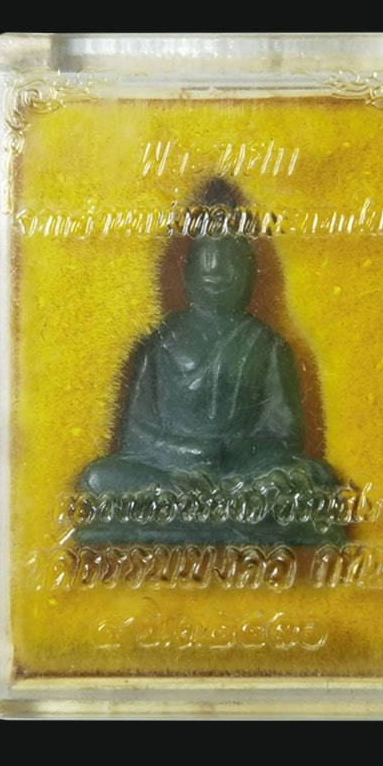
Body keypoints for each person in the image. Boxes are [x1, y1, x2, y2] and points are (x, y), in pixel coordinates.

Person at [77, 179, 343, 545]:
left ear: (249, 271)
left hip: (243, 474)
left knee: (316, 479)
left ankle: (200, 513)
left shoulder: (267, 345)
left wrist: (232, 454)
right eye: (205, 263)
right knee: (98, 479)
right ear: (186, 272)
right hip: (173, 475)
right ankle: (230, 515)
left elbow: (285, 436)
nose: (216, 273)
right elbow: (135, 434)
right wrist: (188, 454)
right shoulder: (159, 343)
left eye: (229, 263)